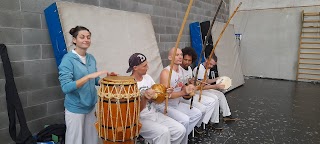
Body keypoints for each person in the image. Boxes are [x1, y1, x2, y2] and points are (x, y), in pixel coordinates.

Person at [58, 26, 115, 144]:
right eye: (82, 37)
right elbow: (66, 87)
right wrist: (87, 77)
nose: (86, 40)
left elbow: (95, 80)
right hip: (75, 108)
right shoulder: (68, 59)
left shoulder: (91, 58)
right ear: (74, 40)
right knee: (75, 141)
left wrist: (107, 79)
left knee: (92, 140)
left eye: (88, 37)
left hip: (90, 107)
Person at [126, 53, 186, 144]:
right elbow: (134, 111)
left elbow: (156, 100)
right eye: (144, 66)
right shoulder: (129, 85)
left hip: (154, 113)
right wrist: (144, 99)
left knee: (180, 130)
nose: (148, 67)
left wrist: (165, 93)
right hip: (140, 119)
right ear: (135, 68)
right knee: (163, 132)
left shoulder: (147, 77)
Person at [157, 47, 202, 144]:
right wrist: (183, 93)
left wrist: (188, 88)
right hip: (165, 105)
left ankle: (180, 138)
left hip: (177, 103)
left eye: (181, 54)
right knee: (185, 120)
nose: (180, 57)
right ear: (170, 57)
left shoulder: (181, 71)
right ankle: (178, 139)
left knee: (197, 114)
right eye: (176, 55)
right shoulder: (166, 73)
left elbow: (181, 87)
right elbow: (166, 96)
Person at [180, 47, 222, 130]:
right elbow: (183, 86)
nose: (187, 62)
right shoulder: (180, 70)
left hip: (191, 93)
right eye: (185, 60)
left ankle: (205, 122)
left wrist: (193, 82)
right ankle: (199, 124)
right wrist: (215, 86)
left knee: (216, 98)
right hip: (184, 95)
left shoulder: (189, 69)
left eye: (189, 61)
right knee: (211, 101)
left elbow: (192, 83)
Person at [193, 53, 237, 122]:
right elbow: (200, 87)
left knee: (221, 95)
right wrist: (216, 86)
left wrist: (216, 79)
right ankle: (214, 121)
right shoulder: (200, 70)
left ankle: (226, 115)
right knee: (215, 98)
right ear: (206, 60)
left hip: (203, 88)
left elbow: (206, 81)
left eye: (213, 65)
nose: (211, 66)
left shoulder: (207, 67)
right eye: (210, 64)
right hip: (198, 91)